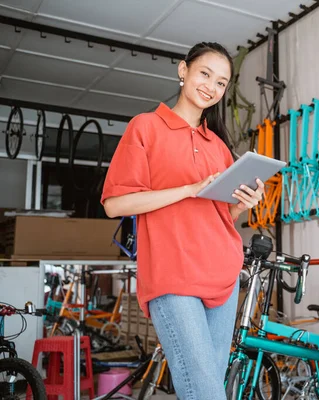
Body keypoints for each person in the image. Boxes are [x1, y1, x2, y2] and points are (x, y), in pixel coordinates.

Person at [101, 42, 264, 400]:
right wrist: (188, 188)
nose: (211, 86)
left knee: (207, 388)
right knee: (205, 391)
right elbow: (115, 204)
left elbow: (219, 214)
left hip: (222, 275)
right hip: (172, 275)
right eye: (205, 74)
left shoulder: (218, 146)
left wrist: (243, 205)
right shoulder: (145, 127)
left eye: (221, 83)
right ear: (183, 70)